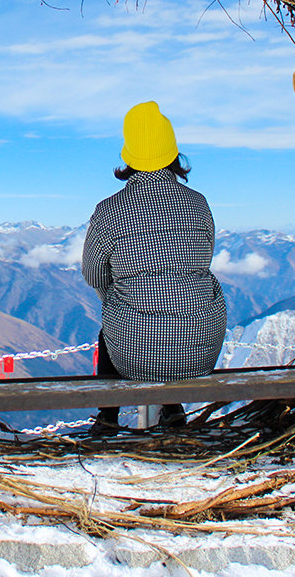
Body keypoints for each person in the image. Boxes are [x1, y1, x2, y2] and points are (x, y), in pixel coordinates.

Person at [81, 101, 228, 433]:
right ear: (173, 154)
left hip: (131, 351)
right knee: (174, 301)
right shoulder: (198, 204)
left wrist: (119, 294)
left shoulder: (109, 211)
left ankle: (107, 417)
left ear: (129, 156)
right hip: (201, 350)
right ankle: (173, 409)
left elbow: (92, 274)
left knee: (113, 327)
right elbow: (202, 261)